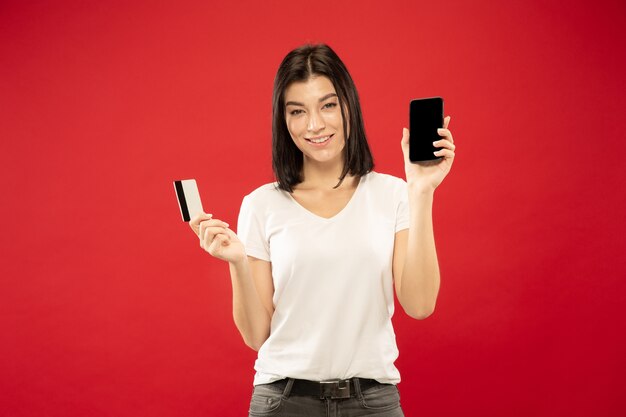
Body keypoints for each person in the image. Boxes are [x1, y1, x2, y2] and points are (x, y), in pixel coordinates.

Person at [189, 44, 455, 417]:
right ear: (284, 121)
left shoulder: (393, 194)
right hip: (283, 401)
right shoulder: (261, 204)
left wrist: (421, 192)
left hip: (372, 401)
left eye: (327, 105)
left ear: (349, 106)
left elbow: (420, 304)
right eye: (298, 111)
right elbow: (255, 336)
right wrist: (236, 263)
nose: (314, 125)